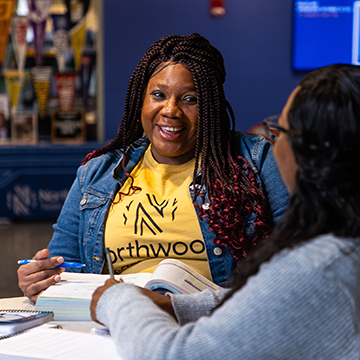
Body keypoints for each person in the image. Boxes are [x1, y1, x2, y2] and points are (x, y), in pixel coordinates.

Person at [90, 64, 360, 359]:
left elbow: (174, 355)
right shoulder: (342, 249)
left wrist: (118, 298)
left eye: (279, 129)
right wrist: (178, 306)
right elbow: (266, 301)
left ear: (315, 153)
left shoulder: (316, 267)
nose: (171, 110)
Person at [18, 33, 288, 303]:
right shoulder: (97, 173)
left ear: (210, 107)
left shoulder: (254, 161)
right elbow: (64, 268)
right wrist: (41, 280)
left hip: (212, 329)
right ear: (141, 100)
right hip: (116, 328)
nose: (171, 110)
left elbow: (302, 254)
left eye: (190, 99)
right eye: (158, 95)